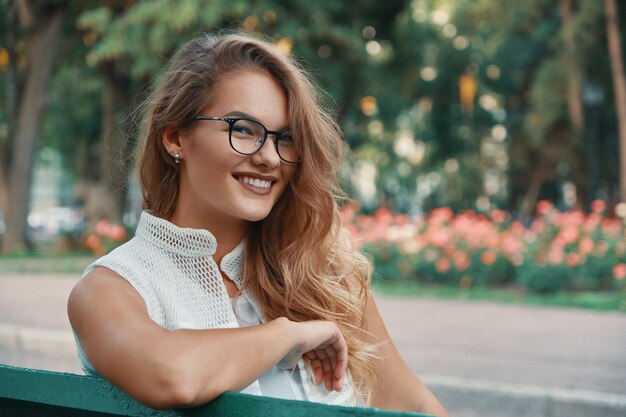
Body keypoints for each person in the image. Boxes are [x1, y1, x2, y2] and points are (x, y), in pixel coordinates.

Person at [67, 31, 448, 416]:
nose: (270, 158)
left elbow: (411, 403)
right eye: (243, 130)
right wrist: (288, 334)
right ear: (174, 138)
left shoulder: (325, 278)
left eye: (285, 137)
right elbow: (173, 376)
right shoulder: (109, 289)